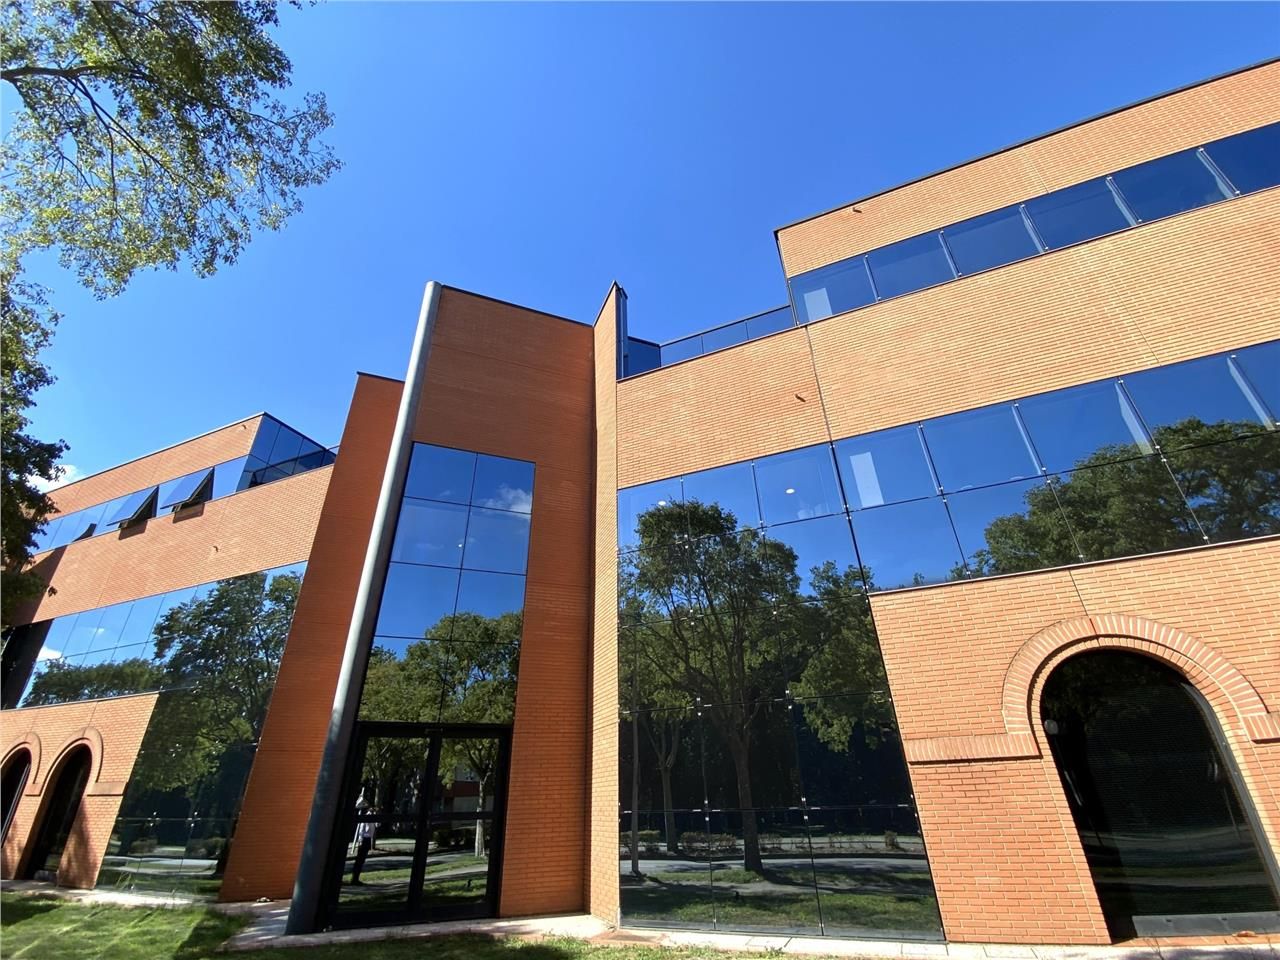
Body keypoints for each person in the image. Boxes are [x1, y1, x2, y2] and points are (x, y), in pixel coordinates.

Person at [350, 794, 376, 885]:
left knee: (362, 859)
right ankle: (354, 878)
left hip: (368, 839)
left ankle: (356, 878)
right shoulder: (366, 816)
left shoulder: (373, 816)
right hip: (364, 839)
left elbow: (377, 825)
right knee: (359, 859)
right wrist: (360, 840)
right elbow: (361, 829)